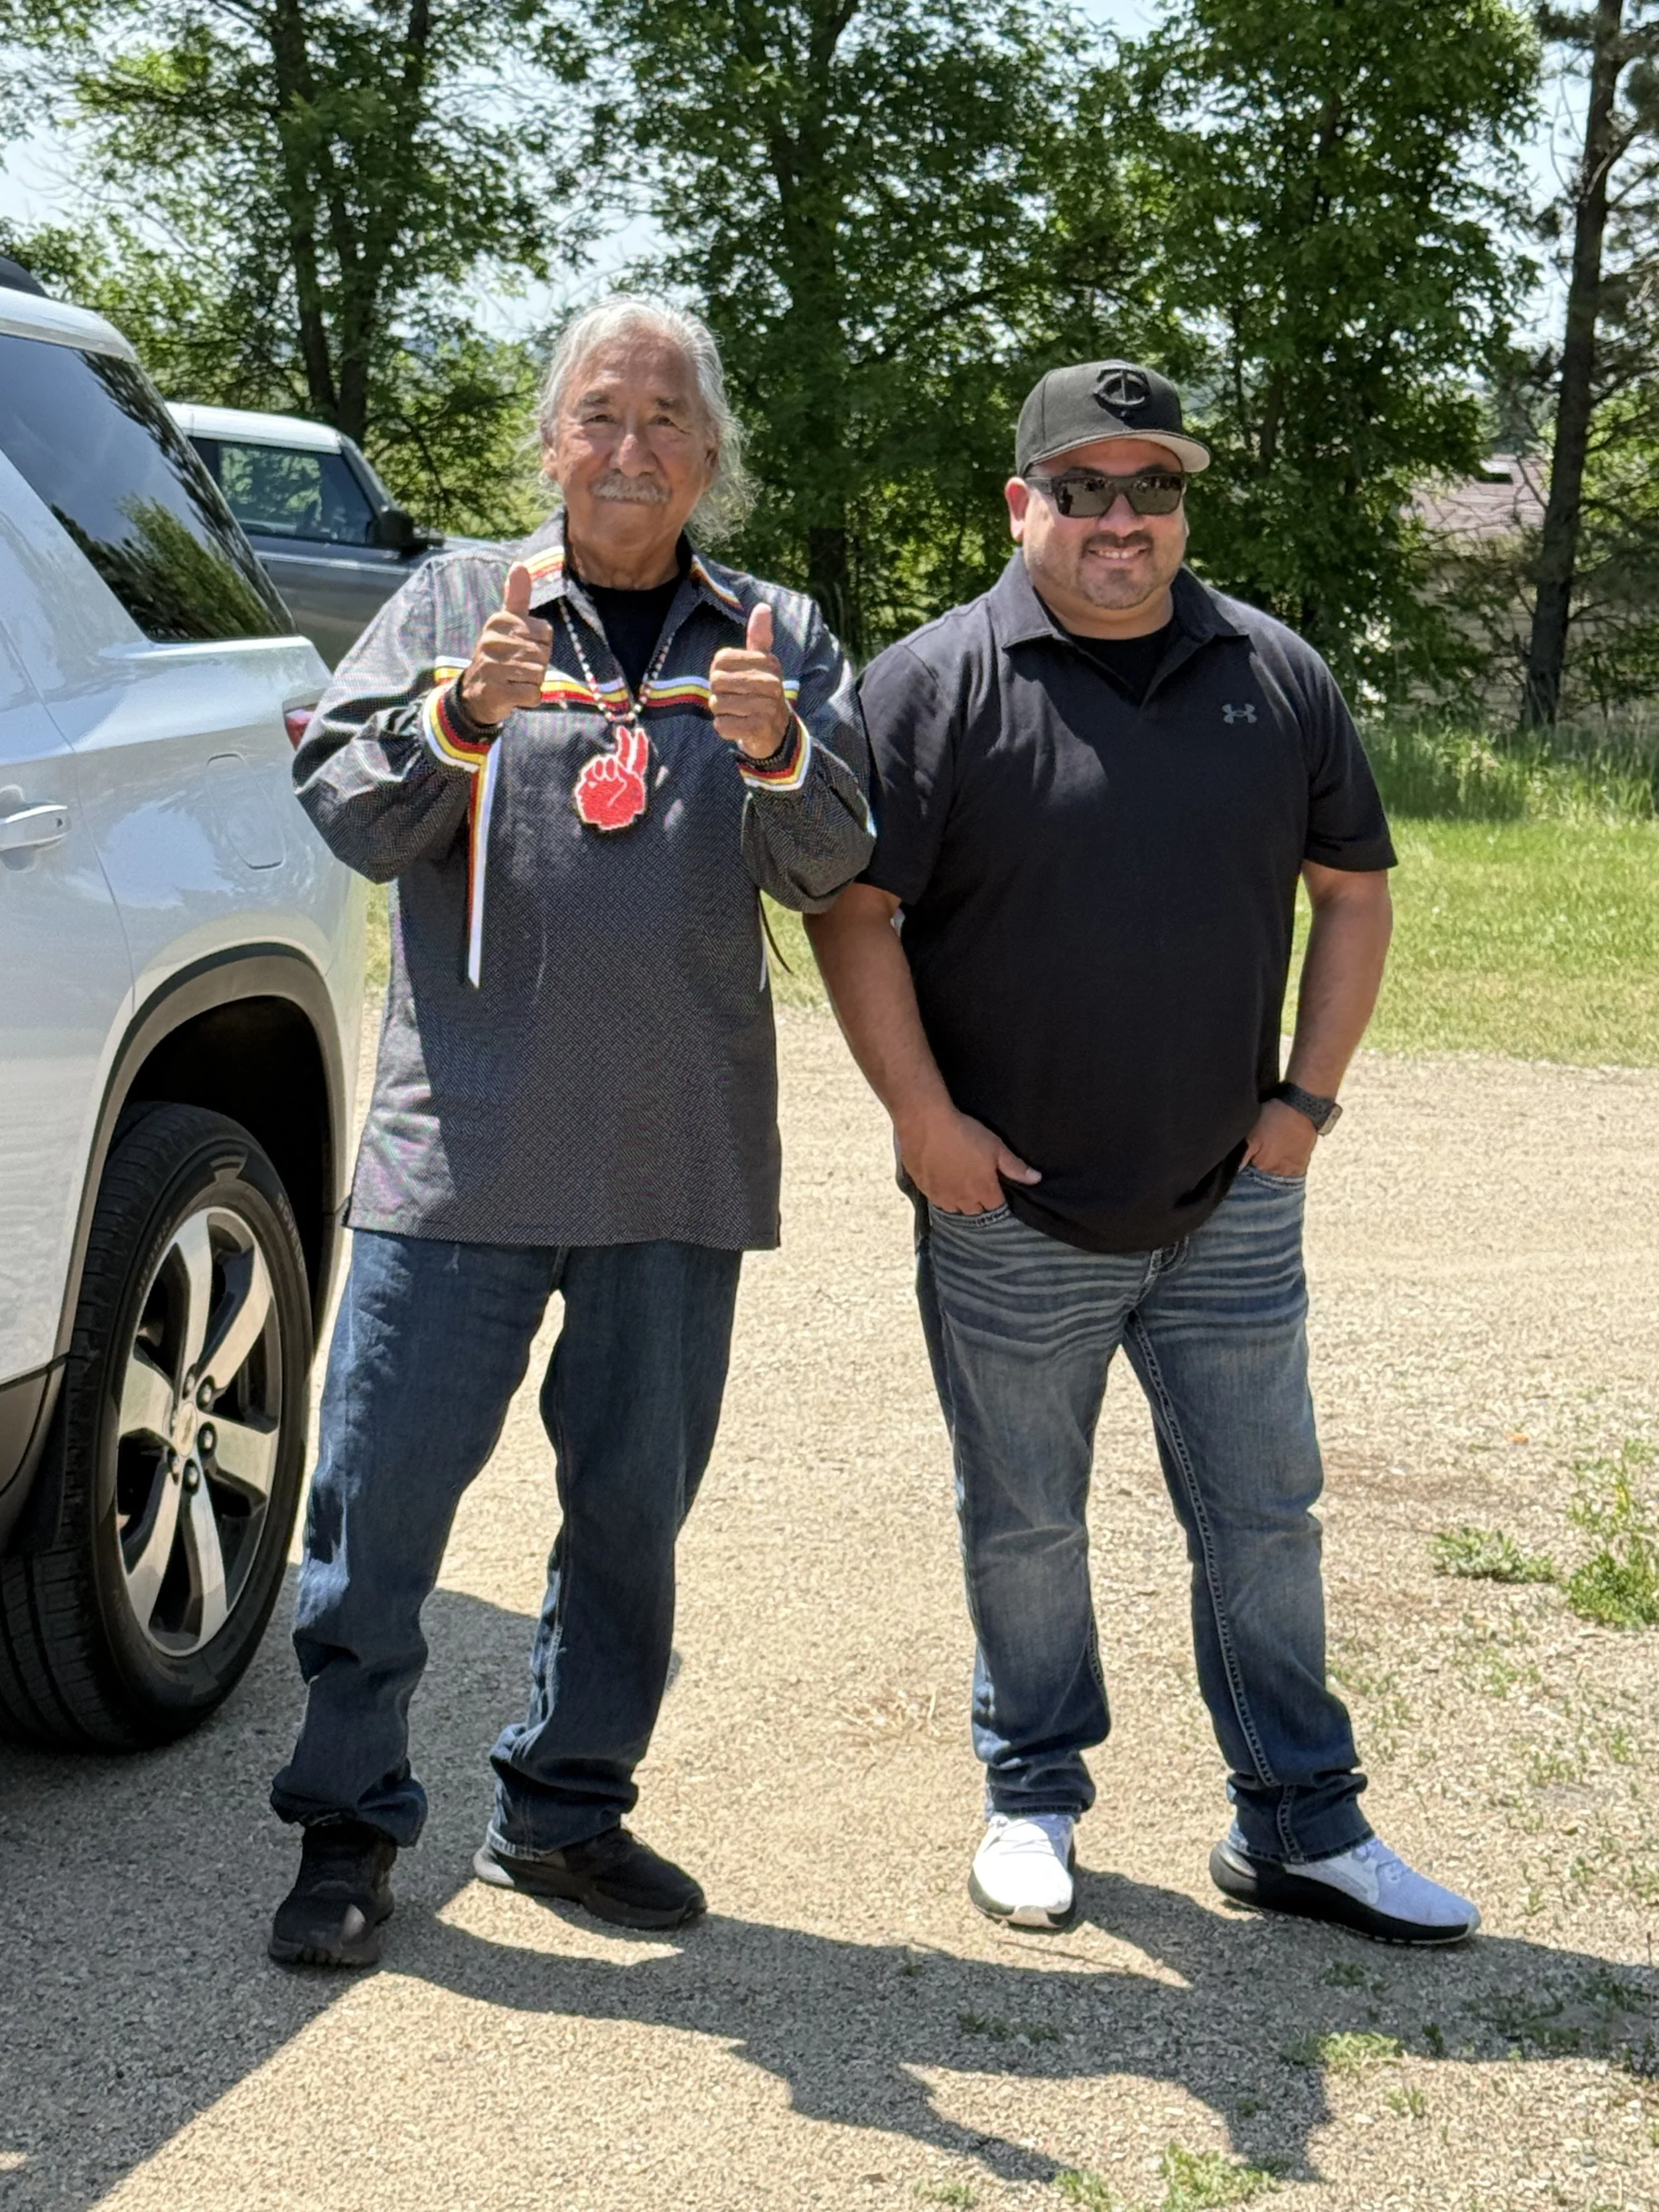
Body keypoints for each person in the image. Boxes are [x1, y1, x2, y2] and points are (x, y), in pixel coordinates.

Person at [806, 358, 1480, 1947]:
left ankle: (1299, 1825)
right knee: (1025, 1518)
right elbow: (852, 910)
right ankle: (1033, 1795)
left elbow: (1355, 893)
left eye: (1153, 487)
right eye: (1085, 487)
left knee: (1265, 1514)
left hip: (1228, 1205)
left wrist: (1299, 1110)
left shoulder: (1273, 672)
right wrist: (922, 1122)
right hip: (1006, 1209)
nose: (1123, 519)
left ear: (1182, 505)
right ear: (1019, 501)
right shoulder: (932, 681)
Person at [267, 296, 873, 1967]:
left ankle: (565, 1808)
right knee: (377, 1510)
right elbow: (347, 806)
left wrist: (776, 745)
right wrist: (460, 716)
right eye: (600, 413)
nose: (631, 445)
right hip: (452, 1156)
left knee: (629, 1516)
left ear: (708, 459)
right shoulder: (463, 603)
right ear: (551, 443)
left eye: (666, 419)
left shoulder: (774, 633)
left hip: (674, 1166)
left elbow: (836, 859)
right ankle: (345, 1822)